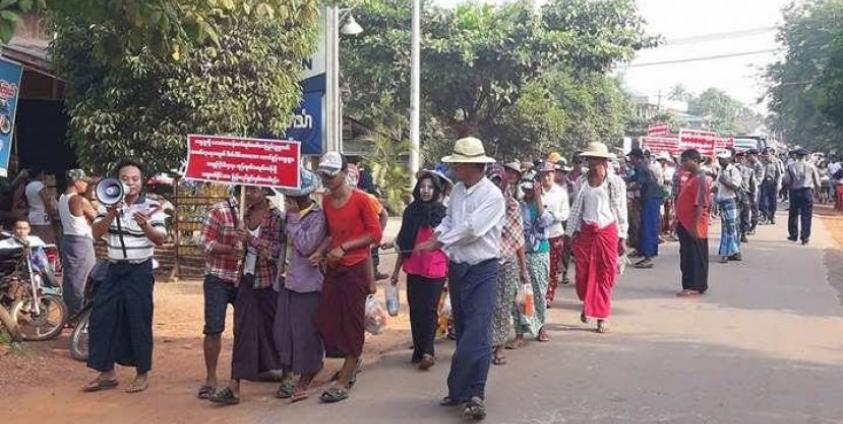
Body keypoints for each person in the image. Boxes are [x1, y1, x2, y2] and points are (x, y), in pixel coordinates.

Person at [416, 137, 504, 420]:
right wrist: (437, 235)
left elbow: (472, 230)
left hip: (484, 269)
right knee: (465, 329)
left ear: (471, 165)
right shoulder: (456, 193)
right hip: (458, 269)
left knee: (477, 333)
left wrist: (437, 243)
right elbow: (450, 223)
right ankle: (460, 391)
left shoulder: (492, 196)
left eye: (458, 164)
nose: (454, 169)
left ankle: (474, 392)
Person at [85, 159, 167, 394]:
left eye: (135, 179)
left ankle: (142, 373)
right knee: (102, 318)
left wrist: (145, 226)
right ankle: (107, 372)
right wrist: (111, 215)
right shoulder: (107, 203)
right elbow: (96, 232)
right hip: (113, 269)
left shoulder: (152, 206)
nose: (130, 183)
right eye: (125, 178)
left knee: (138, 319)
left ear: (142, 182)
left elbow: (160, 238)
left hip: (139, 270)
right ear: (117, 181)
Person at [313, 151, 383, 404]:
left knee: (352, 322)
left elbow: (375, 234)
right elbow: (332, 234)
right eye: (325, 175)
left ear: (344, 173)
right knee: (327, 319)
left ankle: (347, 375)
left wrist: (345, 247)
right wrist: (321, 251)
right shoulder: (327, 202)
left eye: (332, 174)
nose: (328, 179)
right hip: (334, 268)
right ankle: (351, 361)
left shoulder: (362, 200)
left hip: (355, 268)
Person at [209, 185, 284, 406]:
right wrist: (238, 243)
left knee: (276, 329)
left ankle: (288, 376)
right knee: (242, 331)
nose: (249, 193)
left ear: (265, 192)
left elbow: (275, 251)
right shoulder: (244, 215)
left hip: (269, 280)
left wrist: (251, 240)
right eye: (246, 189)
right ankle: (234, 385)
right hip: (246, 279)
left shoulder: (276, 217)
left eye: (254, 189)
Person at [273, 168, 327, 402]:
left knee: (306, 333)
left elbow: (306, 246)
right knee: (285, 331)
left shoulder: (317, 216)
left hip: (308, 283)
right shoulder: (288, 216)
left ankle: (308, 373)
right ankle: (292, 373)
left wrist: (293, 218)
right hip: (287, 280)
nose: (286, 201)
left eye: (288, 197)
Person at [566, 142, 628, 334]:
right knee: (583, 274)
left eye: (595, 159)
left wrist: (622, 236)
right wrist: (571, 233)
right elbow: (576, 208)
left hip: (607, 231)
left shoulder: (615, 182)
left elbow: (620, 209)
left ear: (603, 160)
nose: (592, 162)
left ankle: (601, 316)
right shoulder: (581, 182)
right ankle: (588, 303)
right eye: (589, 158)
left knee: (604, 274)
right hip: (586, 231)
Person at [391, 171, 448, 370]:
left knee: (430, 309)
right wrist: (396, 271)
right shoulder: (410, 211)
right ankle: (418, 348)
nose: (426, 190)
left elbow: (448, 243)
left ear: (436, 190)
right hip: (414, 267)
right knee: (415, 309)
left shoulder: (442, 213)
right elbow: (403, 243)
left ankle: (428, 351)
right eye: (423, 186)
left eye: (430, 187)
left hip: (436, 269)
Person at [197, 189, 244, 400]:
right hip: (218, 276)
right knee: (213, 328)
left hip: (245, 277)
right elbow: (205, 243)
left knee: (243, 330)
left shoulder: (263, 211)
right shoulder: (220, 210)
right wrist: (229, 249)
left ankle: (237, 379)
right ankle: (211, 378)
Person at [485, 165, 528, 366]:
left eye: (498, 182)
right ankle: (486, 344)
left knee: (503, 305)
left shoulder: (512, 206)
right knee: (485, 304)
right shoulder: (482, 205)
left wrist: (523, 268)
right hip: (484, 259)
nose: (495, 186)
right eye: (491, 182)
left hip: (506, 260)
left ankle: (499, 347)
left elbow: (517, 240)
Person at [514, 171, 553, 344]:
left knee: (538, 292)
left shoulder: (546, 201)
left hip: (539, 253)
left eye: (531, 185)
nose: (528, 189)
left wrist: (538, 198)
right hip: (520, 252)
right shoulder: (518, 204)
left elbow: (545, 222)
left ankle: (540, 327)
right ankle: (520, 332)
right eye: (525, 185)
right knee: (520, 294)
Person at [58, 169, 96, 318]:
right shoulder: (79, 200)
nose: (86, 185)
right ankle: (79, 315)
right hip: (81, 242)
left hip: (68, 240)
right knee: (84, 279)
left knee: (71, 279)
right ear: (76, 182)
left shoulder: (62, 198)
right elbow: (97, 218)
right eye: (84, 181)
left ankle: (70, 313)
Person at [675, 149, 713, 297]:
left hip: (693, 224)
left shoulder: (700, 179)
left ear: (694, 161)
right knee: (687, 254)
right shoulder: (691, 178)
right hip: (685, 223)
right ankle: (694, 284)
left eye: (685, 160)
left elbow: (700, 204)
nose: (683, 163)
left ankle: (694, 285)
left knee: (694, 256)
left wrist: (694, 225)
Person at [537, 160, 569, 308]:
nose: (546, 178)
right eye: (543, 175)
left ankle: (549, 295)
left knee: (552, 267)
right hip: (538, 235)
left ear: (553, 174)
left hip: (555, 234)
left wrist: (552, 215)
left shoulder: (561, 193)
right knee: (538, 267)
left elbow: (565, 214)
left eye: (548, 174)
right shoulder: (536, 191)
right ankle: (539, 294)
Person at [625, 148, 661, 269]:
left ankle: (648, 257)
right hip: (649, 197)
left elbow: (637, 183)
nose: (630, 160)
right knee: (641, 225)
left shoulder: (642, 167)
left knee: (648, 226)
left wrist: (623, 189)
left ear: (637, 158)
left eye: (632, 158)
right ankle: (641, 250)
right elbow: (632, 179)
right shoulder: (640, 167)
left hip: (651, 198)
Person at [783, 148, 821, 245]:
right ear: (806, 156)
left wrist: (787, 189)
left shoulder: (790, 166)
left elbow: (786, 181)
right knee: (806, 215)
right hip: (807, 191)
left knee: (793, 213)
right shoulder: (811, 167)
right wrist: (818, 193)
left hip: (795, 191)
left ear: (796, 155)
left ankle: (793, 235)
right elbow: (817, 182)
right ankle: (805, 237)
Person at [714, 150, 743, 263]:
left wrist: (725, 181)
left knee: (731, 228)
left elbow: (736, 187)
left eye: (722, 159)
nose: (720, 161)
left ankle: (727, 253)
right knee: (727, 227)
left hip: (731, 201)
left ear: (729, 159)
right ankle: (734, 251)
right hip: (722, 202)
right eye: (719, 159)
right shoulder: (721, 170)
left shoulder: (734, 171)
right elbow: (716, 187)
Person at [24, 169, 57, 244]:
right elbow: (46, 201)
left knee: (35, 238)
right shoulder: (39, 185)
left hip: (32, 214)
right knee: (46, 239)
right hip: (42, 215)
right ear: (39, 174)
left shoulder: (28, 186)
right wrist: (51, 212)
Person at [735, 152, 757, 243]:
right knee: (735, 215)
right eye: (739, 158)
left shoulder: (750, 171)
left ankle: (743, 233)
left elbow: (753, 185)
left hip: (745, 195)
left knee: (745, 215)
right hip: (735, 195)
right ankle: (736, 233)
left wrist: (754, 197)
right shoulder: (733, 170)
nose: (741, 160)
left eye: (743, 158)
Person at [760, 148, 783, 224]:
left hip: (773, 183)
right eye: (765, 155)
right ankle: (765, 216)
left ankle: (772, 216)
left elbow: (779, 174)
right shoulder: (762, 162)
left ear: (771, 154)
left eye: (767, 155)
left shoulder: (776, 162)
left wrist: (779, 185)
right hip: (763, 183)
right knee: (763, 200)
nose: (766, 156)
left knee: (772, 201)